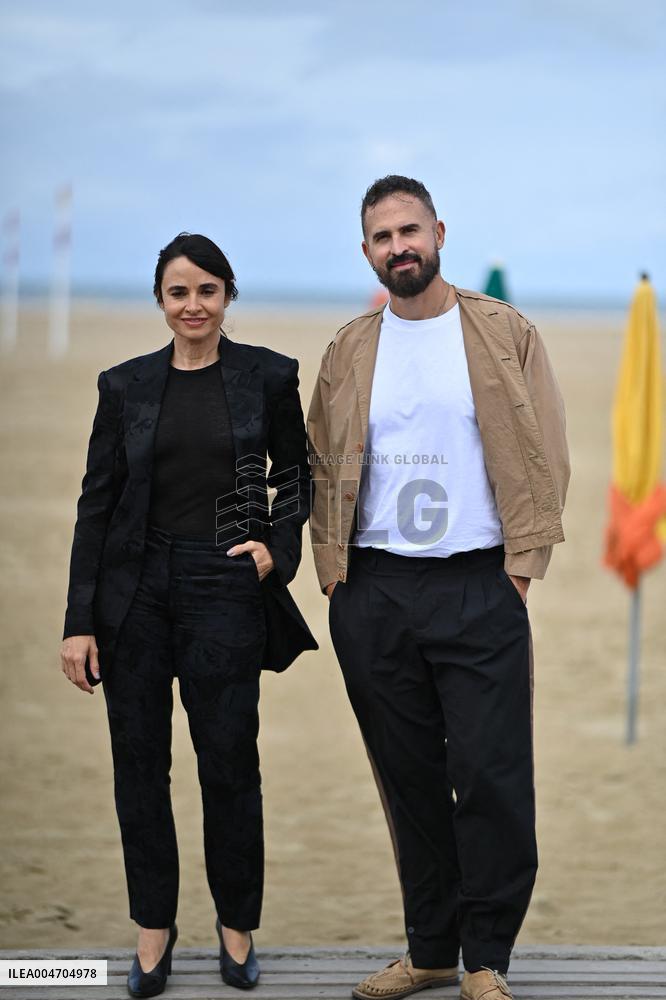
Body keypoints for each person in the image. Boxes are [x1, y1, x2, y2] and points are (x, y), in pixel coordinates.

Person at [307, 177, 569, 1000]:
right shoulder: (350, 348)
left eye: (409, 230)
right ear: (366, 252)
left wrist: (521, 572)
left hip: (480, 583)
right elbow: (320, 461)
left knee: (492, 775)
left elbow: (547, 452)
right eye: (382, 237)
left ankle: (485, 958)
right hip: (375, 589)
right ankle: (429, 950)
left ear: (440, 231)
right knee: (408, 775)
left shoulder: (502, 331)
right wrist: (336, 580)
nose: (398, 247)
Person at [60, 233, 316, 998]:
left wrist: (277, 549)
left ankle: (236, 931)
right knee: (139, 768)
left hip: (224, 586)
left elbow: (298, 472)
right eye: (179, 292)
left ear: (227, 295)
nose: (194, 305)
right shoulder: (125, 386)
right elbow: (96, 506)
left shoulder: (268, 377)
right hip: (134, 596)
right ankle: (153, 932)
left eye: (207, 290)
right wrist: (79, 621)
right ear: (161, 302)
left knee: (230, 765)